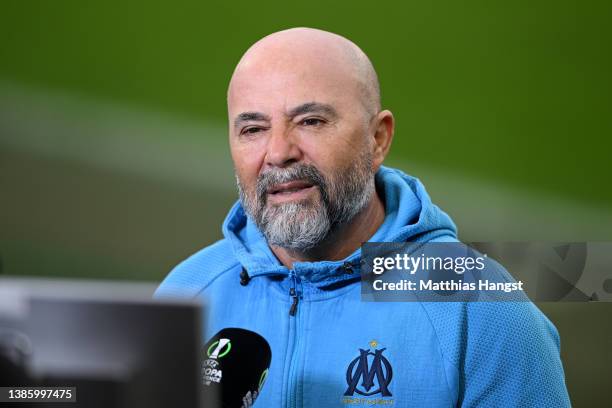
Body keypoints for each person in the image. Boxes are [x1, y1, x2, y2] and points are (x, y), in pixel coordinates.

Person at [155, 28, 570, 407]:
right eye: (252, 129)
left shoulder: (482, 312)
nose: (278, 152)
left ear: (378, 139)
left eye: (310, 121)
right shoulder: (185, 294)